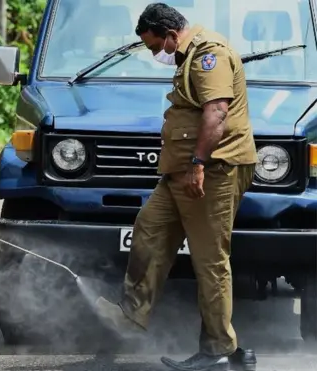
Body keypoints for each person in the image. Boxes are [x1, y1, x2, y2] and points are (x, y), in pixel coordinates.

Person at [91, 4, 258, 371]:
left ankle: (218, 350)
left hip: (211, 172)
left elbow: (217, 111)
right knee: (148, 231)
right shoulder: (188, 56)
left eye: (155, 47)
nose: (156, 55)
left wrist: (198, 164)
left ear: (170, 33)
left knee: (209, 260)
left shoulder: (208, 54)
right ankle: (130, 318)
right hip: (179, 173)